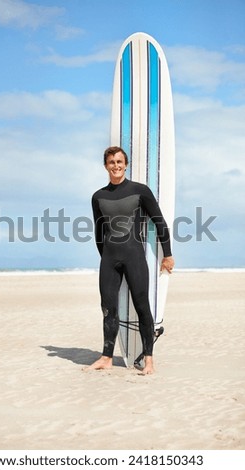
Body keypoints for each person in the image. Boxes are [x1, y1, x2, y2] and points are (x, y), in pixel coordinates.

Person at [85, 146, 174, 375]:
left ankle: (149, 360)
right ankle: (106, 357)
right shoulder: (98, 196)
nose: (116, 166)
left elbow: (159, 221)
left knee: (142, 305)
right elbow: (99, 231)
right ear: (105, 166)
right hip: (109, 259)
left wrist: (168, 254)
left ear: (126, 164)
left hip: (134, 255)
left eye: (119, 162)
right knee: (108, 308)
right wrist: (106, 257)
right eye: (111, 162)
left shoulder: (140, 190)